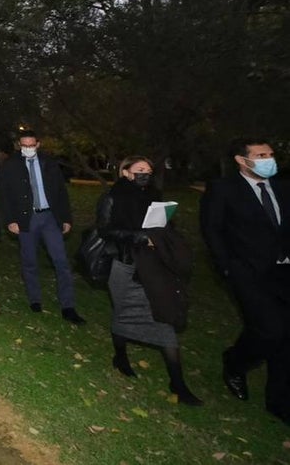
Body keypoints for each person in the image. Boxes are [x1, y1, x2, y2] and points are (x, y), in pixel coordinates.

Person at [98, 157, 201, 406]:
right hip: (124, 264)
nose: (145, 173)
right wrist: (141, 238)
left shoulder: (154, 197)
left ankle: (178, 383)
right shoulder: (111, 197)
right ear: (126, 172)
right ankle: (120, 357)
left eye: (149, 170)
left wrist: (161, 231)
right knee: (122, 313)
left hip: (152, 267)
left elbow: (164, 227)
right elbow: (105, 230)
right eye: (140, 169)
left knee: (162, 317)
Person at [200, 138, 290, 424]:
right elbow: (212, 229)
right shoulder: (223, 189)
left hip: (284, 271)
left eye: (270, 154)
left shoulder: (283, 188)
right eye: (261, 155)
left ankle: (279, 402)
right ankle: (235, 362)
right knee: (270, 330)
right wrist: (227, 268)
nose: (268, 159)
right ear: (241, 160)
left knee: (286, 336)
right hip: (247, 272)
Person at [0, 131, 85, 324]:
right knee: (29, 261)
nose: (28, 148)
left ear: (38, 144)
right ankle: (35, 300)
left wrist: (66, 218)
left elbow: (61, 191)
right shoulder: (11, 164)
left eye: (31, 145)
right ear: (19, 145)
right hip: (27, 218)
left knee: (61, 261)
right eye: (24, 145)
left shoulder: (49, 162)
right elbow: (4, 194)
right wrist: (10, 220)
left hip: (49, 217)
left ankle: (68, 306)